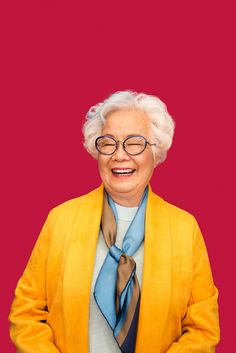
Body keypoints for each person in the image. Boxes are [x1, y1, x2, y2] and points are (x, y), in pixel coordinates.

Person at [9, 90, 220, 353]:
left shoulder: (185, 228)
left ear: (156, 151)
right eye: (108, 143)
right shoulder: (60, 220)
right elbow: (26, 313)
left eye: (134, 143)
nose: (120, 155)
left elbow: (203, 328)